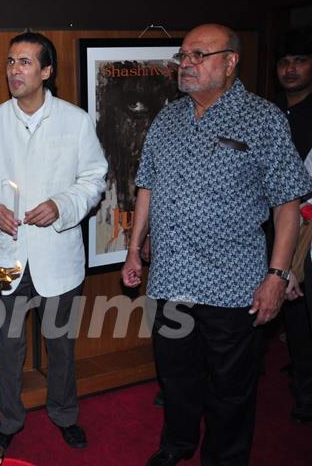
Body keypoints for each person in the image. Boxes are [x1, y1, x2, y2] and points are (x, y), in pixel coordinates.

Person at [121, 24, 312, 466]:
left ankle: (225, 459)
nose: (186, 63)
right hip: (171, 279)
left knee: (231, 389)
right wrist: (134, 248)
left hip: (235, 286)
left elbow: (288, 204)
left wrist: (278, 276)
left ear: (230, 62)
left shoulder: (262, 119)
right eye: (183, 56)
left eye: (198, 55)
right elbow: (146, 185)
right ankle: (177, 445)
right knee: (177, 378)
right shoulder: (167, 118)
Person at [0, 32, 108, 453]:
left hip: (58, 255)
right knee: (7, 349)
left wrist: (62, 206)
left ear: (46, 71)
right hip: (7, 258)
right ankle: (8, 419)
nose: (14, 70)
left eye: (24, 62)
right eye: (10, 62)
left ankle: (64, 414)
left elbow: (95, 179)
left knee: (61, 346)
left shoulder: (75, 121)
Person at [276, 26, 312, 425]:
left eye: (300, 61)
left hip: (307, 229)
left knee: (302, 316)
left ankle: (305, 392)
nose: (290, 69)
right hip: (268, 225)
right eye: (284, 62)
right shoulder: (267, 112)